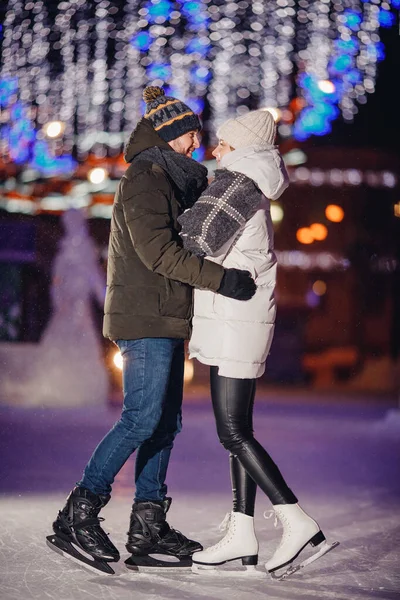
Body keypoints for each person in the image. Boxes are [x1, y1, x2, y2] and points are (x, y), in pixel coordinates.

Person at [46, 87, 256, 574]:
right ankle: (78, 514)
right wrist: (223, 281)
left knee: (164, 422)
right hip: (144, 317)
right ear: (168, 134)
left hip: (166, 315)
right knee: (142, 418)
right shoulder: (146, 178)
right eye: (189, 134)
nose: (196, 142)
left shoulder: (174, 178)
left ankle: (147, 524)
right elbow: (158, 253)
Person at [178, 109, 338, 578]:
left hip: (235, 322)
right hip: (238, 320)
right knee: (237, 430)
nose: (214, 151)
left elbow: (198, 239)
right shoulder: (247, 184)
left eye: (222, 145)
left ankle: (296, 520)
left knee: (232, 431)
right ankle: (243, 532)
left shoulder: (237, 184)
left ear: (242, 150)